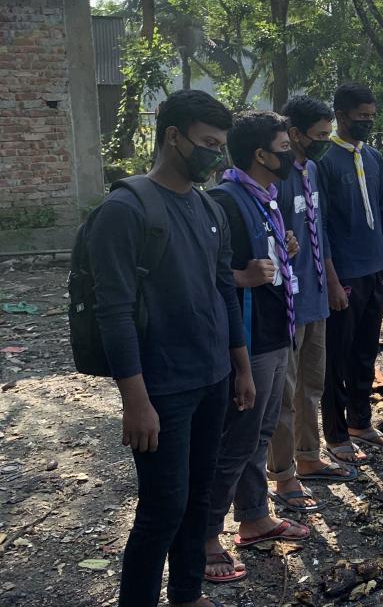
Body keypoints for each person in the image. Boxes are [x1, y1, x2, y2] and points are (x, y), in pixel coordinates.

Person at [89, 89, 254, 607]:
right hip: (162, 388)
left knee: (199, 498)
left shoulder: (209, 207)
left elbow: (224, 291)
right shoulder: (124, 209)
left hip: (212, 379)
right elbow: (112, 313)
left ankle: (186, 595)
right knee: (162, 507)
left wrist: (240, 367)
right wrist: (135, 401)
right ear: (173, 137)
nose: (215, 154)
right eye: (208, 143)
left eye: (221, 145)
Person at [204, 111, 309, 584]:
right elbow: (198, 273)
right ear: (260, 155)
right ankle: (204, 538)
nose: (290, 154)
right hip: (247, 339)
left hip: (274, 329)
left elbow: (261, 255)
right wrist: (241, 277)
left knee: (259, 434)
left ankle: (252, 517)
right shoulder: (224, 201)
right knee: (236, 440)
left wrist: (284, 249)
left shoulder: (264, 197)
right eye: (283, 148)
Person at [266, 96, 358, 515]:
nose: (324, 142)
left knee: (312, 385)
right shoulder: (277, 177)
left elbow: (319, 233)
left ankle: (308, 456)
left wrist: (333, 283)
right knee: (283, 393)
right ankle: (281, 473)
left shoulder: (314, 169)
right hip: (288, 300)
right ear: (297, 133)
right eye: (320, 136)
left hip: (318, 296)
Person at [317, 83, 383, 463]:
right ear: (340, 114)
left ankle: (360, 421)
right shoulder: (324, 161)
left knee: (366, 351)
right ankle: (334, 434)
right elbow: (320, 227)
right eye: (360, 117)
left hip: (374, 270)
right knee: (337, 355)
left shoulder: (374, 157)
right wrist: (332, 279)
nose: (367, 123)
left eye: (371, 116)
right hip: (344, 274)